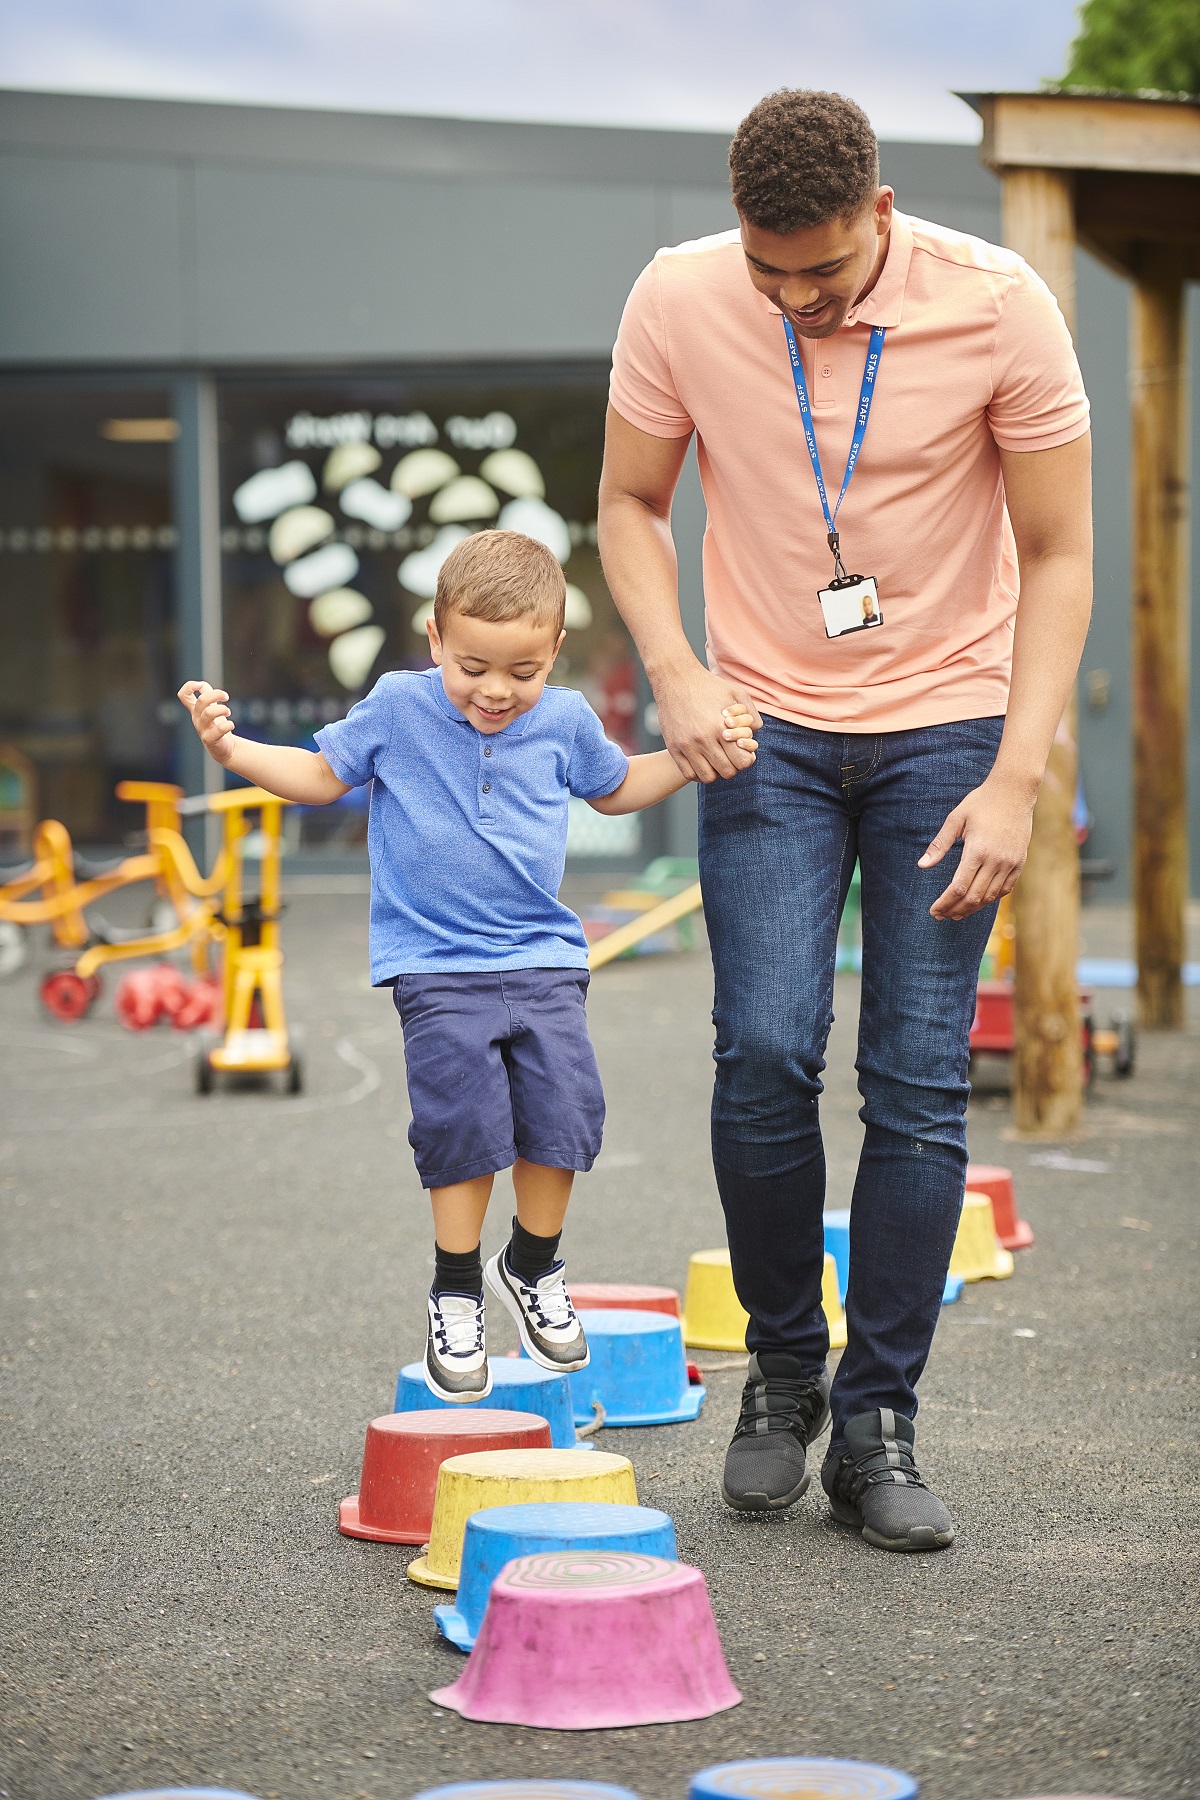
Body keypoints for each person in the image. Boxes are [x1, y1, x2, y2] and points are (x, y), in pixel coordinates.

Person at [599, 90, 1092, 1550]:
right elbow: (631, 504)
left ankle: (880, 1421)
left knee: (919, 1076)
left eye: (825, 273)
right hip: (759, 722)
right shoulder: (682, 297)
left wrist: (1018, 769)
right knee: (760, 1049)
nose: (798, 300)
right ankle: (782, 1377)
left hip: (949, 727)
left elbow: (1061, 549)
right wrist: (674, 675)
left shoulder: (1000, 307)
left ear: (881, 211)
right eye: (774, 275)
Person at [180, 529, 757, 1403]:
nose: (497, 691)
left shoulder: (563, 720)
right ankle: (455, 1287)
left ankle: (532, 1267)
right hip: (435, 963)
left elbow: (613, 788)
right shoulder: (397, 708)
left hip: (544, 957)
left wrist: (686, 758)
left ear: (554, 651)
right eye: (474, 666)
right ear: (436, 639)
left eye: (522, 672)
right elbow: (321, 774)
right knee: (463, 1125)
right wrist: (235, 753)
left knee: (565, 1113)